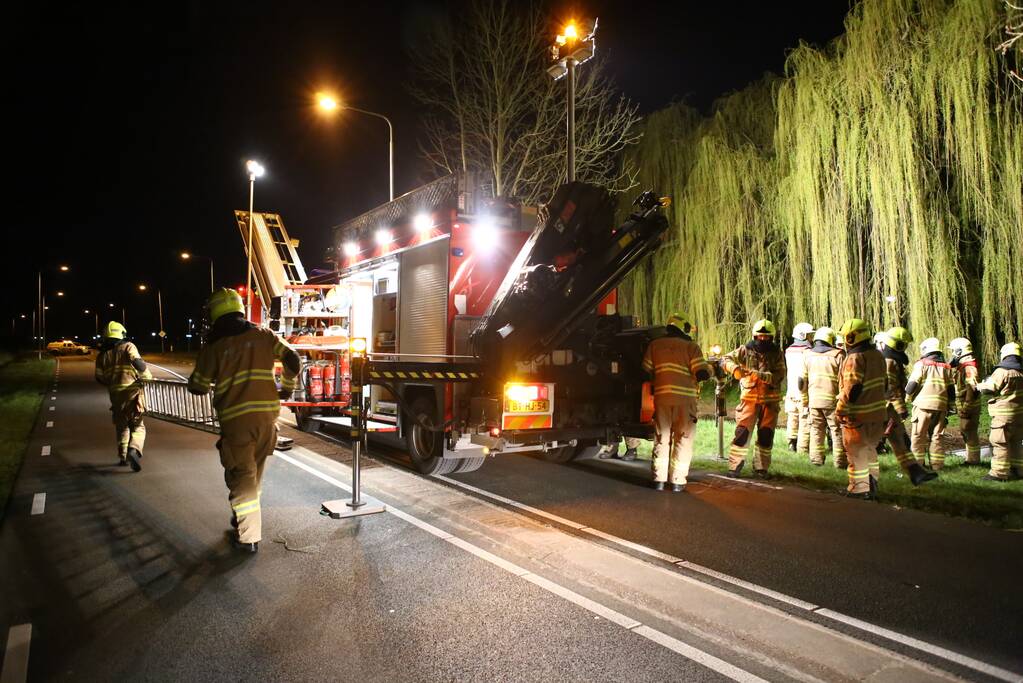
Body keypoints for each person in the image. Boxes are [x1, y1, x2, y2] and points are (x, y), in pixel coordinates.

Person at [188, 288, 301, 553]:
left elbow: (199, 386)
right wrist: (286, 386)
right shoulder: (263, 334)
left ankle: (248, 537)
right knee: (253, 476)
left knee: (242, 477)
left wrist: (201, 378)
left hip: (237, 423)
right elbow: (292, 358)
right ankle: (243, 517)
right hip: (267, 421)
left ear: (215, 313)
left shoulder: (214, 347)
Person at [641, 312, 711, 491]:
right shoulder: (691, 347)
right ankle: (677, 482)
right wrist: (711, 369)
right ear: (683, 327)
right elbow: (701, 374)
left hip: (662, 399)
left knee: (661, 438)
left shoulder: (654, 345)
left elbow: (646, 370)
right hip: (685, 401)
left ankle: (658, 480)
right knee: (683, 438)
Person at [721, 319, 786, 478]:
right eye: (760, 337)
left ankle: (761, 468)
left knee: (766, 435)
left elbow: (780, 374)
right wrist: (734, 368)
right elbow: (724, 360)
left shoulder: (777, 353)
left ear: (772, 338)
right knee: (742, 433)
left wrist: (767, 377)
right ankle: (734, 466)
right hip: (749, 400)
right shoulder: (745, 350)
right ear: (754, 336)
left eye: (766, 337)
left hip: (770, 402)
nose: (763, 340)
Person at [834, 319, 887, 499]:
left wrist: (840, 410)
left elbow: (852, 389)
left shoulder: (855, 358)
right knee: (870, 450)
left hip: (858, 415)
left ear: (851, 337)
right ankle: (872, 485)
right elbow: (884, 384)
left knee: (856, 452)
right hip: (878, 414)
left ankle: (858, 489)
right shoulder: (878, 355)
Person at [878, 327, 937, 485]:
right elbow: (889, 388)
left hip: (887, 409)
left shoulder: (891, 359)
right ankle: (866, 477)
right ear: (897, 344)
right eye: (904, 344)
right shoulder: (889, 361)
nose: (905, 348)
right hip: (886, 409)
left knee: (900, 441)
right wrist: (901, 408)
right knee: (892, 440)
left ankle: (916, 473)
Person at [95, 321, 151, 471]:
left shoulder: (102, 356)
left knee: (122, 427)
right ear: (122, 333)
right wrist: (147, 377)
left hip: (115, 396)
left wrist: (112, 382)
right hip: (132, 394)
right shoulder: (128, 346)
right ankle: (134, 450)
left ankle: (123, 456)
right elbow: (139, 364)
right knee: (138, 426)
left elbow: (99, 377)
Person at [905, 337, 956, 470]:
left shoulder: (922, 364)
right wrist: (951, 405)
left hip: (923, 406)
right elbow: (951, 389)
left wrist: (906, 397)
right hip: (941, 406)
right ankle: (937, 465)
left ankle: (918, 464)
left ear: (926, 350)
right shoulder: (947, 367)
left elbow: (913, 383)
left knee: (918, 435)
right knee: (937, 436)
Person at [976, 342, 1023, 481]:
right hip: (1019, 416)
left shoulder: (1002, 371)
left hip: (1003, 416)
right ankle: (1018, 470)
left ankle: (998, 473)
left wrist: (980, 386)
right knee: (1016, 443)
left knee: (1000, 443)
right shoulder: (1021, 372)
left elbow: (989, 389)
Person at [801, 327, 846, 467]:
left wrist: (805, 399)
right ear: (830, 340)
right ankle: (840, 462)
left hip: (814, 400)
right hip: (832, 401)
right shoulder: (838, 355)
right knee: (837, 430)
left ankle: (816, 460)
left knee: (816, 429)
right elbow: (843, 380)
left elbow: (801, 380)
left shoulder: (807, 355)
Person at [948, 337, 982, 466]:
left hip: (969, 405)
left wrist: (967, 407)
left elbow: (972, 389)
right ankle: (970, 459)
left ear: (958, 351)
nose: (951, 355)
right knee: (966, 431)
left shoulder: (969, 367)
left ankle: (973, 461)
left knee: (969, 431)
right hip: (965, 404)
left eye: (953, 351)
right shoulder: (964, 366)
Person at [784, 322, 815, 454]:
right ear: (804, 336)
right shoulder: (808, 352)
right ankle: (803, 449)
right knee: (804, 419)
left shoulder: (788, 351)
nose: (811, 338)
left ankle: (791, 442)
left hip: (791, 390)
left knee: (792, 417)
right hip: (803, 391)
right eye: (809, 335)